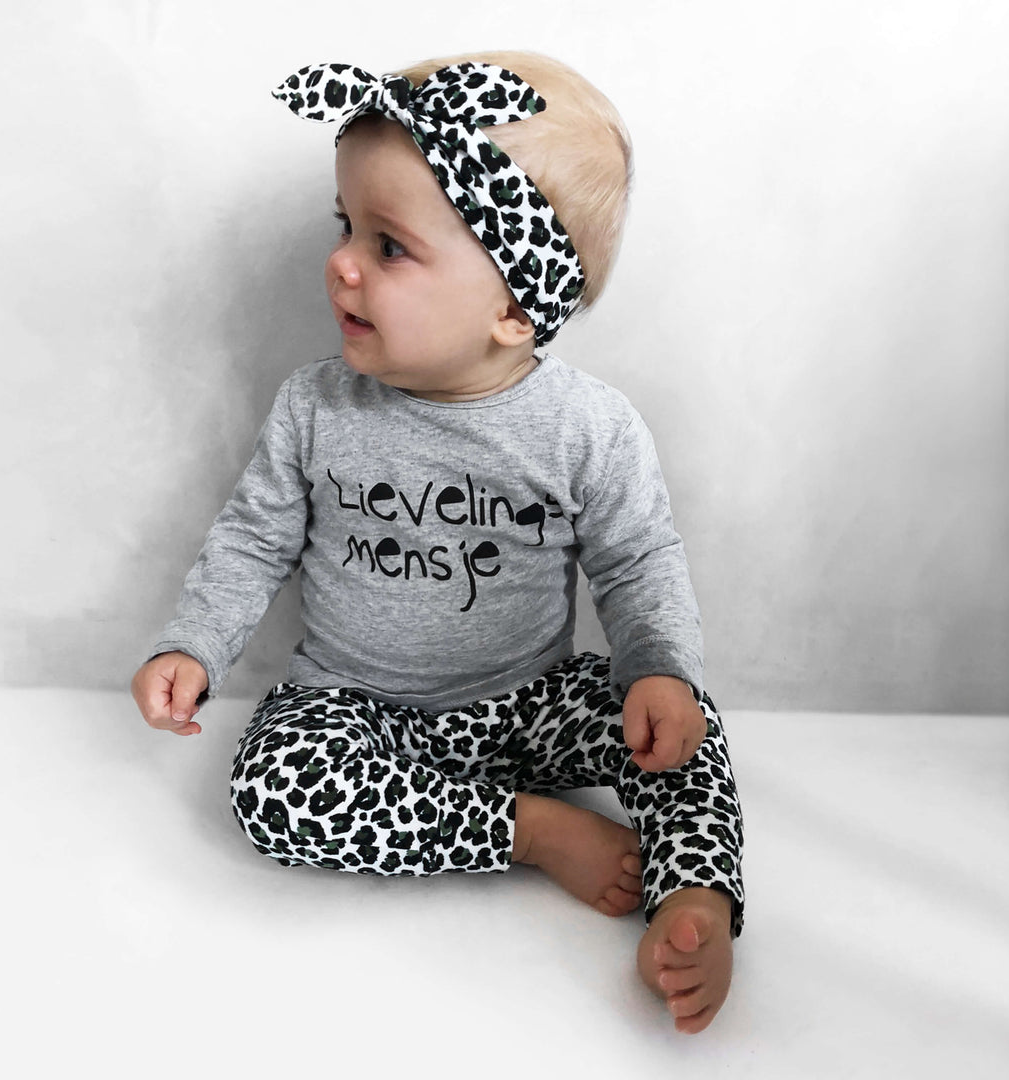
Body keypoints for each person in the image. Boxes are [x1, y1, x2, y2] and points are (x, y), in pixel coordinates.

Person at [131, 51, 744, 1035]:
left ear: (514, 308)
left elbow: (637, 562)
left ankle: (695, 894)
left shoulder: (586, 429)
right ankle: (525, 832)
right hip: (355, 707)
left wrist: (660, 671)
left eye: (389, 246)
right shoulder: (315, 407)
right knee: (273, 788)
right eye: (345, 225)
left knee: (689, 732)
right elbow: (252, 538)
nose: (342, 262)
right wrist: (194, 645)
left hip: (530, 703)